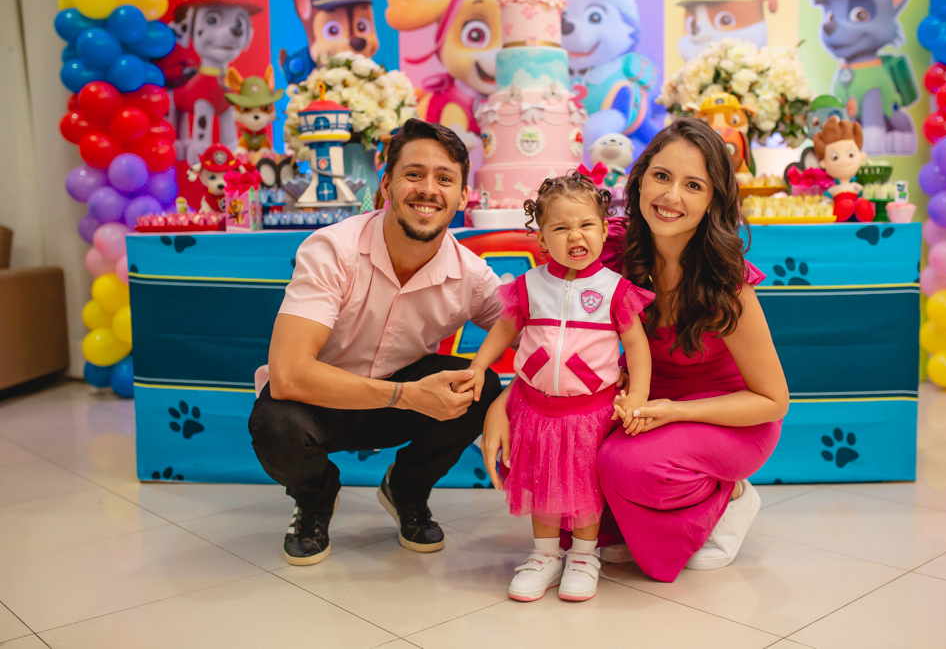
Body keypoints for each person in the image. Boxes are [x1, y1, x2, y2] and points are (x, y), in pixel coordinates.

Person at [482, 117, 789, 583]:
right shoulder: (608, 246)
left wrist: (675, 412)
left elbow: (772, 401)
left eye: (693, 185)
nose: (671, 196)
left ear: (713, 200)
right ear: (640, 179)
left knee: (624, 465)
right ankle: (640, 512)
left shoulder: (728, 283)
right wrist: (504, 404)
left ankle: (727, 496)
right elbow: (556, 338)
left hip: (729, 417)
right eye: (662, 176)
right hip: (640, 403)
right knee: (551, 472)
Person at [249, 118, 505, 566]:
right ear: (386, 185)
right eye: (413, 174)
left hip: (399, 404)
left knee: (480, 388)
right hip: (319, 401)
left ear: (464, 197)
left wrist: (504, 401)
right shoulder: (333, 250)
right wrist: (405, 395)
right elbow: (288, 374)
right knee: (274, 423)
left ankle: (406, 489)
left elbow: (533, 329)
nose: (428, 190)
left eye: (445, 179)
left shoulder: (472, 276)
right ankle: (315, 497)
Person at [455, 174, 654, 602]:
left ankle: (583, 556)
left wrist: (638, 394)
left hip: (591, 411)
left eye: (586, 225)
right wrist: (478, 366)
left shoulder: (615, 290)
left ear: (604, 230)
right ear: (543, 239)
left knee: (584, 487)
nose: (575, 236)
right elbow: (503, 329)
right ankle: (545, 555)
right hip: (535, 409)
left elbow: (637, 346)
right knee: (542, 484)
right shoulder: (529, 285)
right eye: (561, 228)